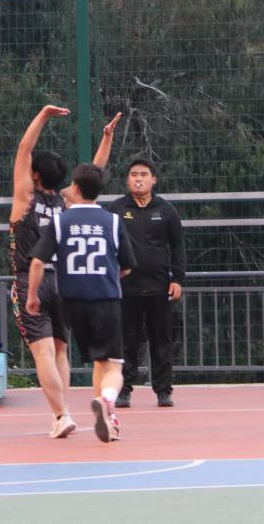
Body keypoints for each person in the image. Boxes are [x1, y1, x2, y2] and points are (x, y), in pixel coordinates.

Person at [9, 107, 121, 438]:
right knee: (60, 349)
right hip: (63, 282)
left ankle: (61, 414)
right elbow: (93, 174)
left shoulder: (25, 199)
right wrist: (106, 139)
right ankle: (61, 413)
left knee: (42, 351)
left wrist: (42, 115)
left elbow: (24, 149)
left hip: (30, 278)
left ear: (35, 176)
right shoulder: (65, 203)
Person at [27, 163, 135, 443]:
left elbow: (37, 262)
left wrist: (32, 295)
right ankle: (107, 399)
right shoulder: (113, 221)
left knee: (99, 361)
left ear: (75, 188)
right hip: (106, 299)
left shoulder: (60, 221)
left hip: (72, 303)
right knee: (112, 366)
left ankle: (108, 421)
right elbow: (126, 267)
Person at [107, 157, 185, 408]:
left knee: (161, 340)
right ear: (127, 180)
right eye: (133, 175)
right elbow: (106, 245)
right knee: (126, 341)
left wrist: (177, 279)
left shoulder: (166, 210)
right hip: (125, 288)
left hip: (159, 287)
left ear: (153, 179)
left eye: (143, 174)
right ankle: (123, 390)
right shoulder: (116, 209)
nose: (138, 179)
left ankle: (163, 390)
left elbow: (177, 246)